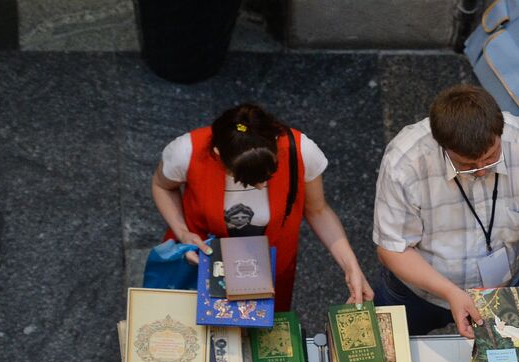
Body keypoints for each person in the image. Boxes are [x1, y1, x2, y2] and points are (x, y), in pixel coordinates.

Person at [372, 85, 519, 338]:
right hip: (421, 290)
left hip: (507, 284)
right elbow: (393, 248)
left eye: (491, 158)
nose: (481, 171)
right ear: (442, 146)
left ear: (499, 132)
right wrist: (450, 292)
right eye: (466, 165)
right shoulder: (404, 162)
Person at [152, 102, 373, 309]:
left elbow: (318, 210)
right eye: (247, 179)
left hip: (269, 267)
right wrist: (182, 232)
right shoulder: (187, 151)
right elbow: (162, 186)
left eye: (268, 175)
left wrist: (351, 266)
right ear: (218, 155)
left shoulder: (300, 150)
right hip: (202, 261)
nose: (260, 186)